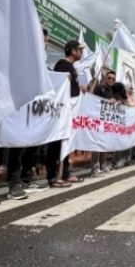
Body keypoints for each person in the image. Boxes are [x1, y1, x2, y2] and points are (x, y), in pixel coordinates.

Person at [48, 40, 86, 187]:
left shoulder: (70, 67)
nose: (81, 53)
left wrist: (79, 88)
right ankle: (52, 176)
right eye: (79, 50)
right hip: (61, 112)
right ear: (72, 51)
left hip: (68, 112)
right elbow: (58, 86)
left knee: (66, 142)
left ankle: (65, 173)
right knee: (56, 143)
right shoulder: (63, 65)